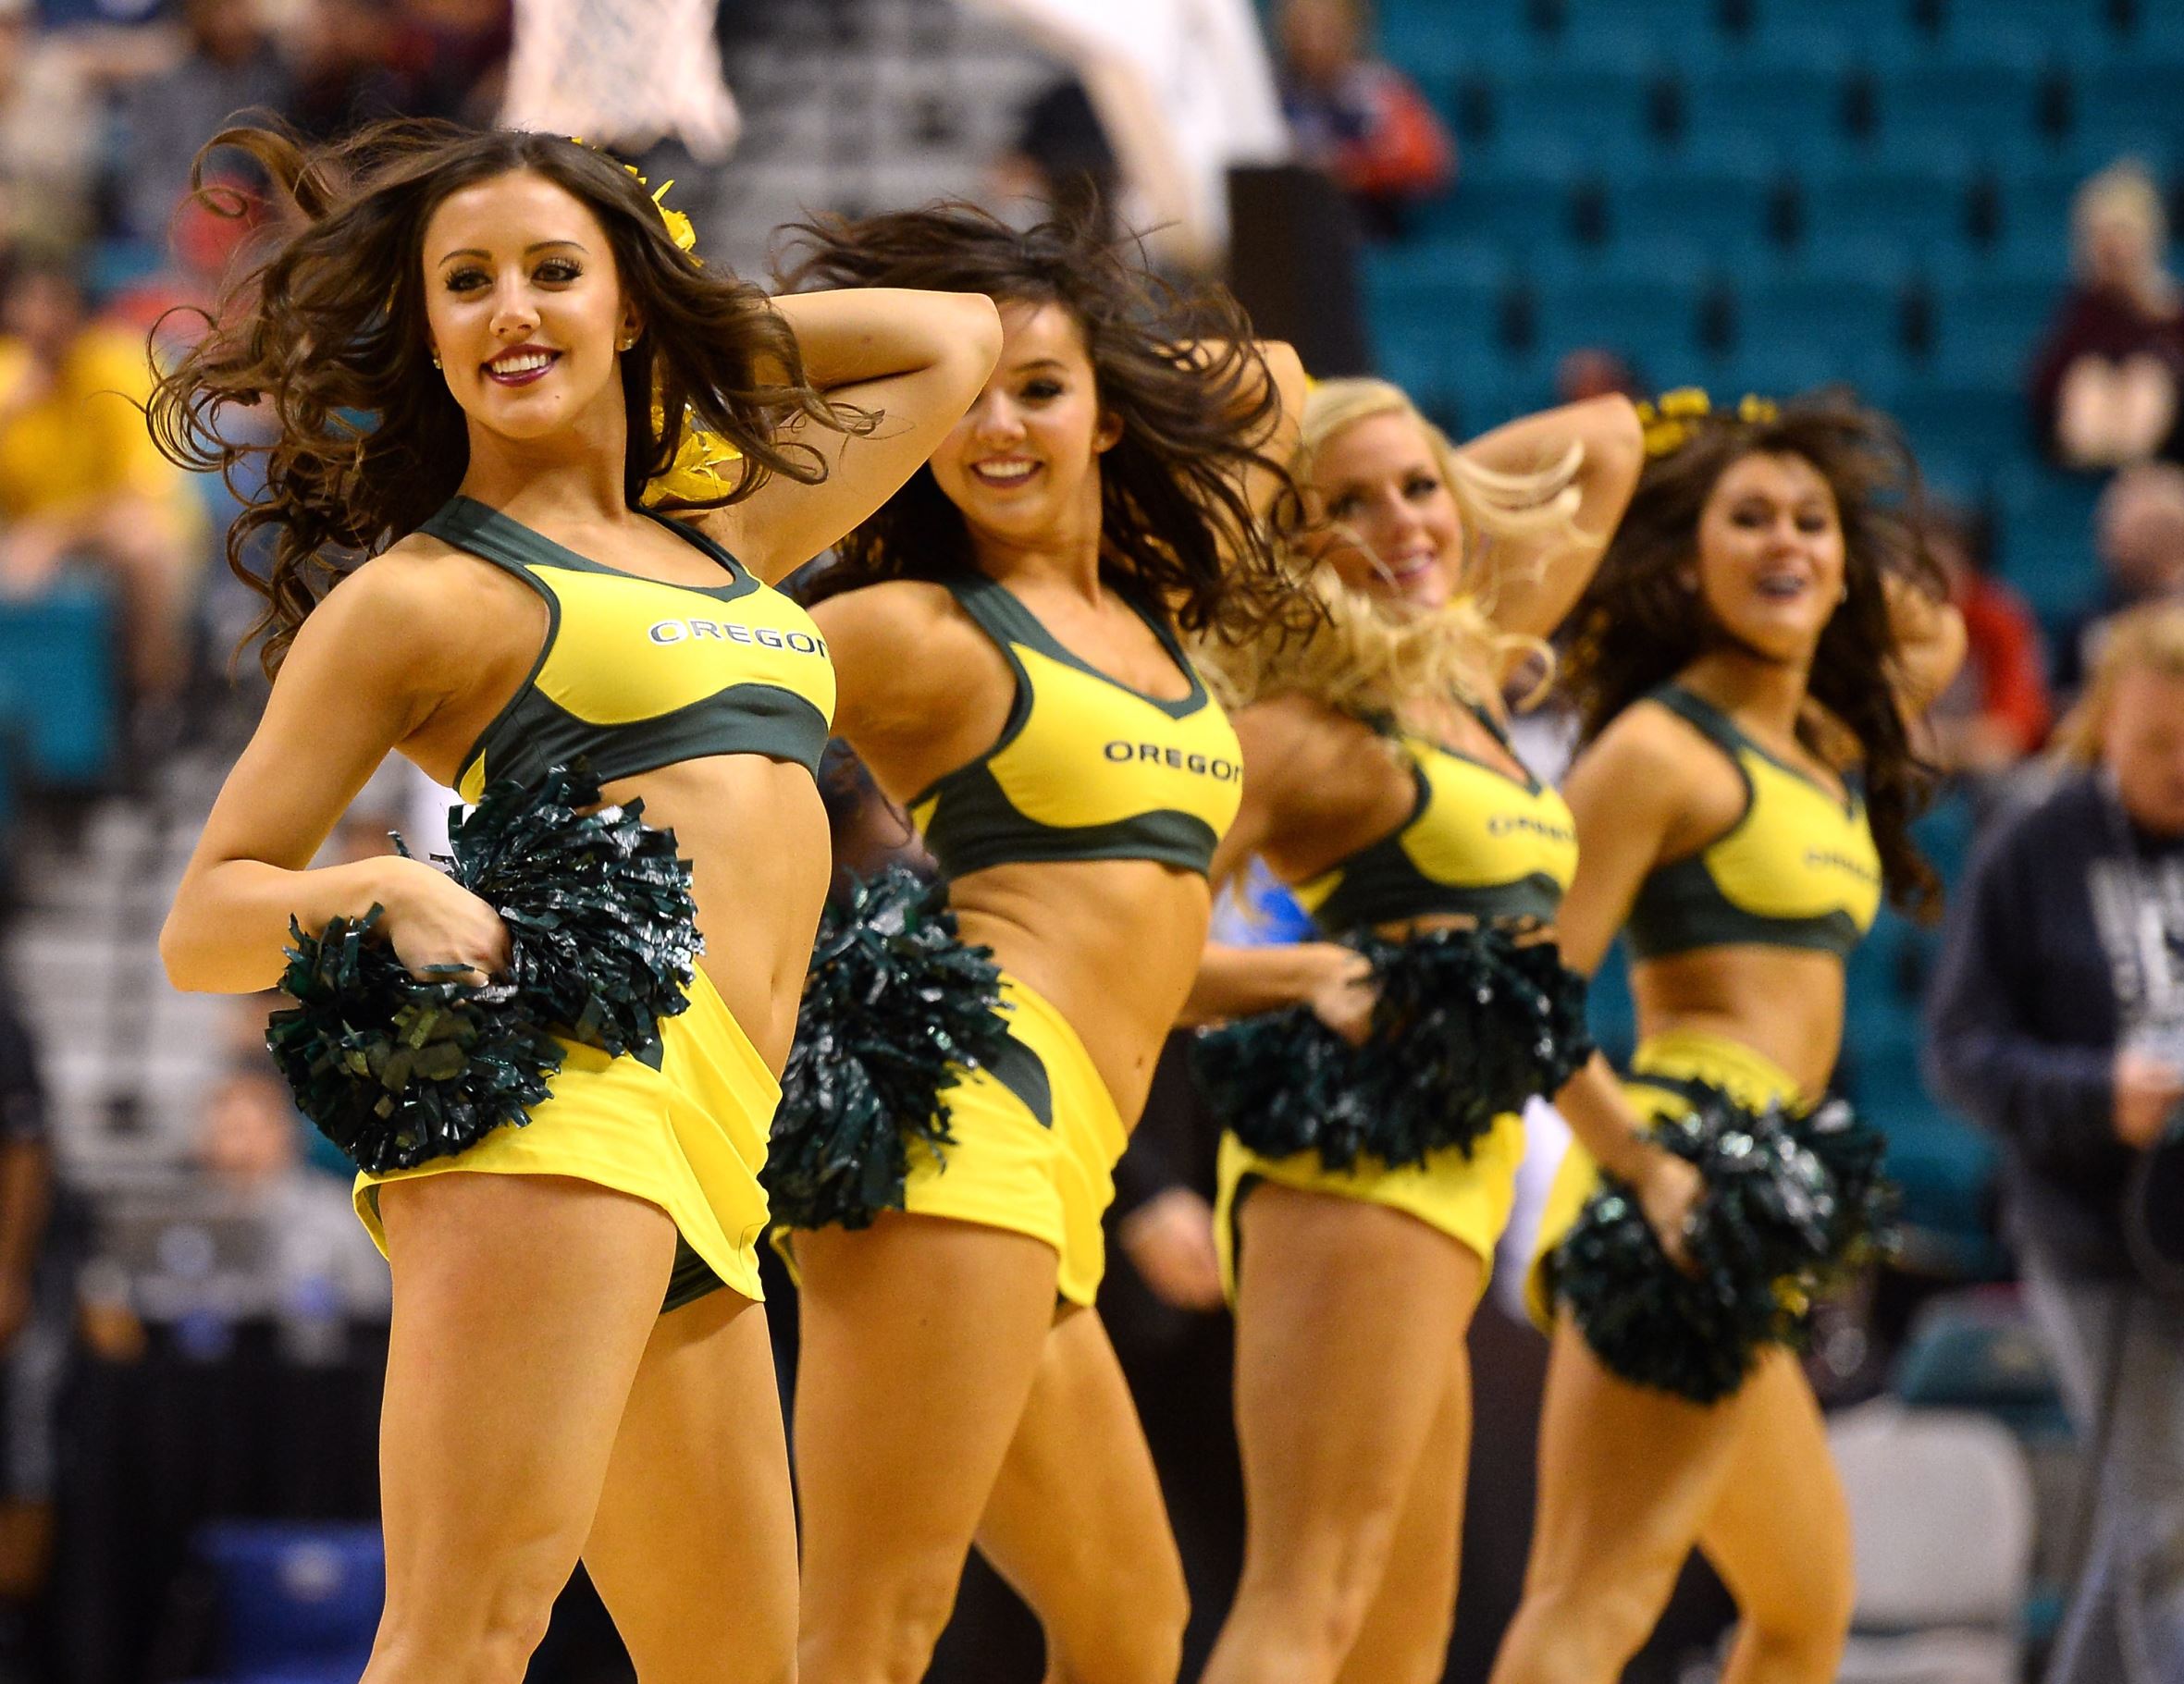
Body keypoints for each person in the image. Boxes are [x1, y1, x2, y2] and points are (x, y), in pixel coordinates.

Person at [149, 119, 999, 1684]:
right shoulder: (424, 594)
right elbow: (205, 917)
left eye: (551, 272)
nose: (507, 310)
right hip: (564, 1109)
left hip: (715, 1143)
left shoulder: (731, 539)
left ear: (629, 305)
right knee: (465, 1636)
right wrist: (382, 884)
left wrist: (675, 312)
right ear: (425, 330)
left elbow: (956, 340)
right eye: (463, 283)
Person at [770, 203, 1306, 1684]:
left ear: (1109, 411)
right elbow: (678, 706)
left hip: (1060, 1163)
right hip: (962, 1139)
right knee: (868, 1631)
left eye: (1042, 389)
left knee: (1130, 1630)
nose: (997, 426)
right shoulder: (921, 631)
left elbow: (1275, 378)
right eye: (961, 398)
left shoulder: (1154, 622)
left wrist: (1302, 977)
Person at [1176, 378, 1656, 1684]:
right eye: (1349, 503)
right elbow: (1131, 948)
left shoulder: (1468, 669)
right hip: (1354, 1163)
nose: (1401, 520)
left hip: (1461, 1161)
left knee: (1399, 1634)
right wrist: (1299, 979)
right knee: (1307, 1600)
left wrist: (1403, 471)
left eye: (1419, 487)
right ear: (1294, 542)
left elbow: (1607, 440)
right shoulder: (1301, 731)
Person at [1492, 390, 1965, 1684]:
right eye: (1745, 521)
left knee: (1804, 1604)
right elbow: (1522, 990)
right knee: (1594, 1595)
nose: (1785, 545)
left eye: (1811, 524)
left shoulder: (1821, 738)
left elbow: (1937, 626)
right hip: (1680, 1175)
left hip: (1767, 1188)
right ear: (1683, 559)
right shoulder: (1655, 750)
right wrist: (1645, 1168)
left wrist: (1776, 470)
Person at [1926, 598, 2184, 1684]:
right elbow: (1962, 1053)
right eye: (2160, 742)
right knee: (2168, 1520)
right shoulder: (2036, 846)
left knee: (2141, 1524)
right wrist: (2095, 1094)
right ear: (2104, 727)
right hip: (2097, 1240)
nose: (2182, 766)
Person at [0, 254, 211, 713]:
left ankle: (155, 710)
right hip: (28, 534)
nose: (37, 317)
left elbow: (139, 495)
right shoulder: (9, 374)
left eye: (51, 302)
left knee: (141, 543)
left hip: (115, 529)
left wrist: (53, 536)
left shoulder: (118, 363)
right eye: (26, 301)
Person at [2030, 160, 2184, 473]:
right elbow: (2044, 386)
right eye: (2100, 235)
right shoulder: (2082, 310)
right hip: (2080, 459)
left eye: (2122, 233)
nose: (2112, 248)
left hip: (2167, 464)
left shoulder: (2174, 312)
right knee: (2090, 380)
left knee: (2146, 381)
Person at [1275, 0, 1454, 240]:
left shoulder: (1380, 89)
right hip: (1291, 229)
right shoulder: (1269, 95)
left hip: (1371, 228)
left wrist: (1349, 169)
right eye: (1303, 26)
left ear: (1353, 29)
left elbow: (1427, 162)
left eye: (1326, 27)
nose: (1314, 40)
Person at [2054, 461, 2184, 696]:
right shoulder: (2089, 617)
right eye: (2112, 527)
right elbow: (2063, 701)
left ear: (2174, 533)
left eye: (2143, 529)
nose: (2118, 544)